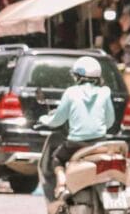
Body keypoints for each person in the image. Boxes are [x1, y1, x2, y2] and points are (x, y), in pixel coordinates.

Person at [40, 56, 115, 199]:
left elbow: (58, 120)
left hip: (76, 144)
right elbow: (110, 121)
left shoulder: (71, 92)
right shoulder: (105, 92)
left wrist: (44, 120)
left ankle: (62, 183)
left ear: (78, 76)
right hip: (100, 143)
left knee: (57, 158)